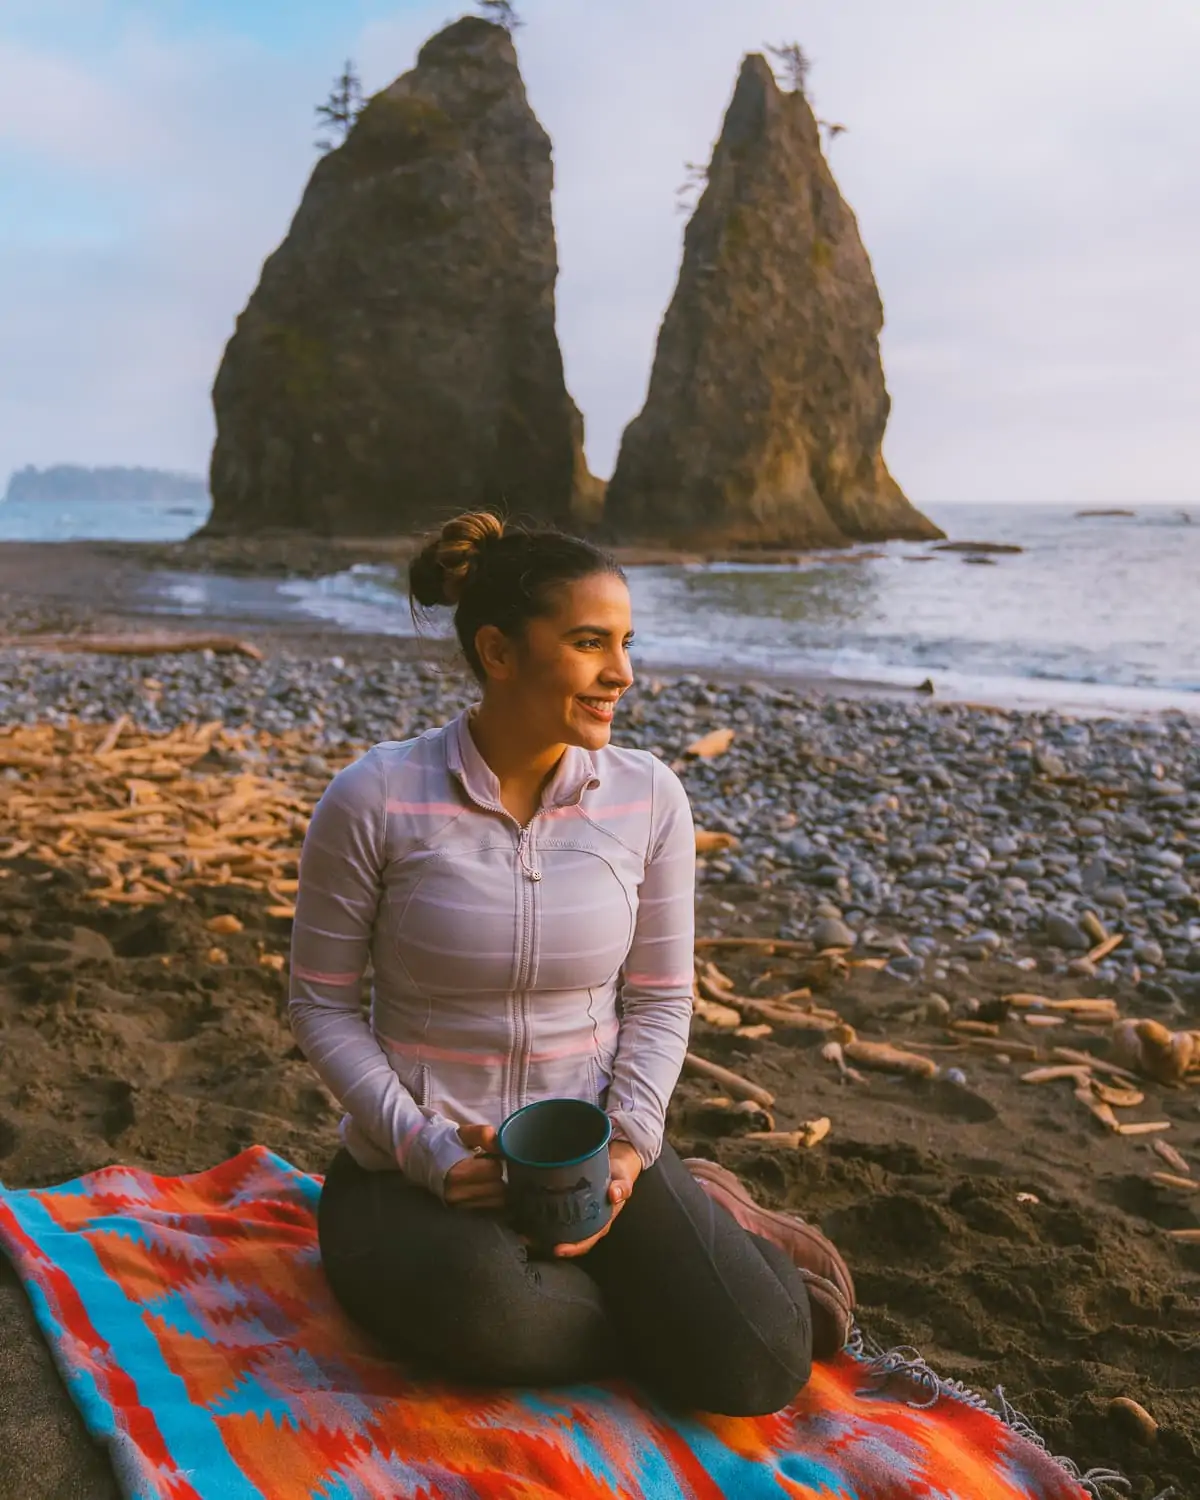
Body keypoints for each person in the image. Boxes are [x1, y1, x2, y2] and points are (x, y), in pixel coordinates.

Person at [290, 510, 855, 1415]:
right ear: (499, 652)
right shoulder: (375, 798)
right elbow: (319, 1007)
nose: (622, 674)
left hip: (590, 1159)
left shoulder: (648, 797)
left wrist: (631, 1141)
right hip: (416, 1172)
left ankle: (712, 1213)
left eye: (627, 643)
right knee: (495, 1316)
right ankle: (671, 1278)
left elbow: (664, 997)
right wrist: (426, 1149)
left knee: (760, 1363)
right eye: (590, 643)